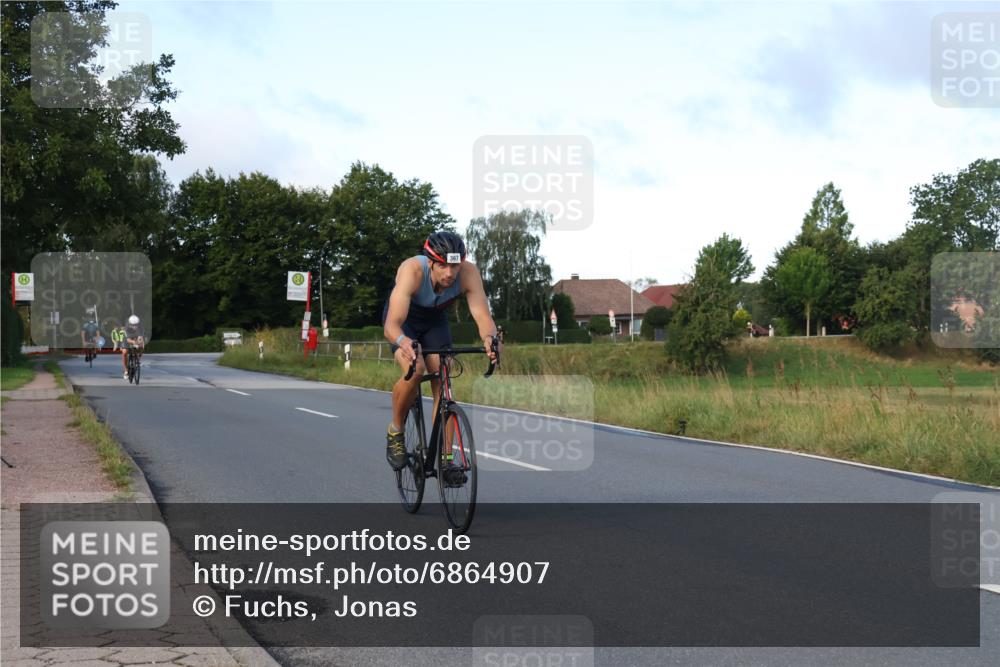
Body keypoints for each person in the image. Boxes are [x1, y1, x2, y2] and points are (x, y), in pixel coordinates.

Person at [382, 231, 500, 475]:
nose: (450, 273)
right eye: (443, 266)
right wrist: (404, 341)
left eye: (455, 266)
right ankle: (396, 430)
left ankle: (446, 458)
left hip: (435, 321)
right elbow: (391, 325)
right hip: (405, 322)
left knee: (443, 380)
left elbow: (483, 316)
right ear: (430, 262)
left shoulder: (468, 273)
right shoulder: (412, 271)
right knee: (416, 370)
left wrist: (490, 339)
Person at [121, 315, 145, 380]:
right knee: (124, 352)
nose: (134, 327)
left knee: (141, 345)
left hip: (136, 336)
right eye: (133, 325)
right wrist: (134, 342)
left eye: (136, 325)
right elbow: (128, 340)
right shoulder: (126, 327)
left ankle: (138, 359)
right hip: (127, 339)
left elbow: (141, 338)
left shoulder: (141, 327)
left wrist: (139, 342)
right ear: (130, 324)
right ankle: (126, 370)